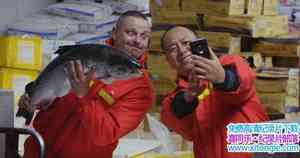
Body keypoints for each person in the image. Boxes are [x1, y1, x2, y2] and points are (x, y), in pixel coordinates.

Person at [18, 11, 153, 158]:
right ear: (114, 32)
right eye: (131, 33)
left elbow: (105, 134)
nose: (138, 40)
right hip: (39, 151)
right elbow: (51, 90)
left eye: (144, 36)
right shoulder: (85, 54)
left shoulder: (141, 89)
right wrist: (30, 99)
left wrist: (84, 95)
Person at [160, 26, 269, 158]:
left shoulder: (231, 62)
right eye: (173, 49)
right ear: (168, 61)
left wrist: (222, 78)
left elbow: (244, 83)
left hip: (264, 148)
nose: (182, 50)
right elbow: (185, 130)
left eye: (186, 43)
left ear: (200, 43)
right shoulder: (175, 100)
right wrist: (188, 99)